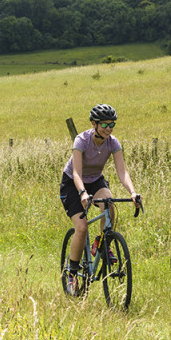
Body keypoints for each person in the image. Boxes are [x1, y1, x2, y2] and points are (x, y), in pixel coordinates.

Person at [60, 104, 141, 296]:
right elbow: (77, 173)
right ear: (94, 124)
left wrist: (133, 192)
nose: (109, 128)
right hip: (73, 183)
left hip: (95, 180)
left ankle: (101, 242)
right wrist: (82, 193)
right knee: (81, 227)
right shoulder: (82, 140)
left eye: (112, 124)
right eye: (104, 124)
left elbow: (122, 172)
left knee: (109, 203)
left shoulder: (112, 142)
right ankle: (71, 273)